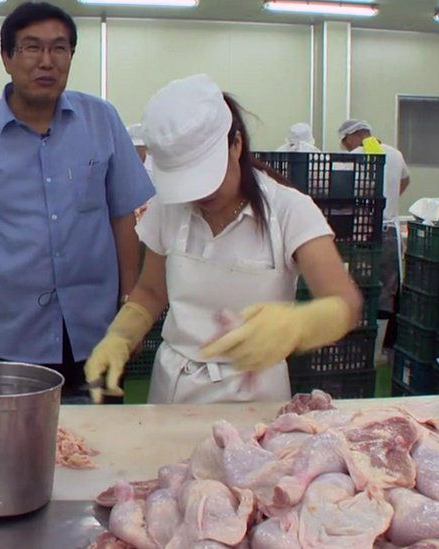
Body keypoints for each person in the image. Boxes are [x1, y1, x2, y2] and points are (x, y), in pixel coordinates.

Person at [83, 74, 363, 404]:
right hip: (175, 390)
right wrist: (120, 335)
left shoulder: (290, 210)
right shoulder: (168, 208)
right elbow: (151, 291)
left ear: (237, 144)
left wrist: (300, 323)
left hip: (256, 393)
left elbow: (345, 302)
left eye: (208, 177)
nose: (201, 194)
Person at [0, 2, 154, 401]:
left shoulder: (102, 121)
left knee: (102, 446)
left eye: (59, 48)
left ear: (71, 55)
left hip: (97, 328)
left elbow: (124, 219)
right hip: (13, 332)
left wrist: (129, 307)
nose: (46, 62)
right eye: (32, 48)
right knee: (20, 448)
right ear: (6, 58)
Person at [338, 118, 409, 359]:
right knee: (386, 291)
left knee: (360, 287)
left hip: (363, 230)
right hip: (390, 231)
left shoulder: (356, 155)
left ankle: (357, 348)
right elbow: (406, 180)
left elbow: (344, 190)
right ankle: (377, 353)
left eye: (345, 142)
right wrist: (389, 200)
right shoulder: (396, 154)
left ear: (351, 137)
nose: (346, 147)